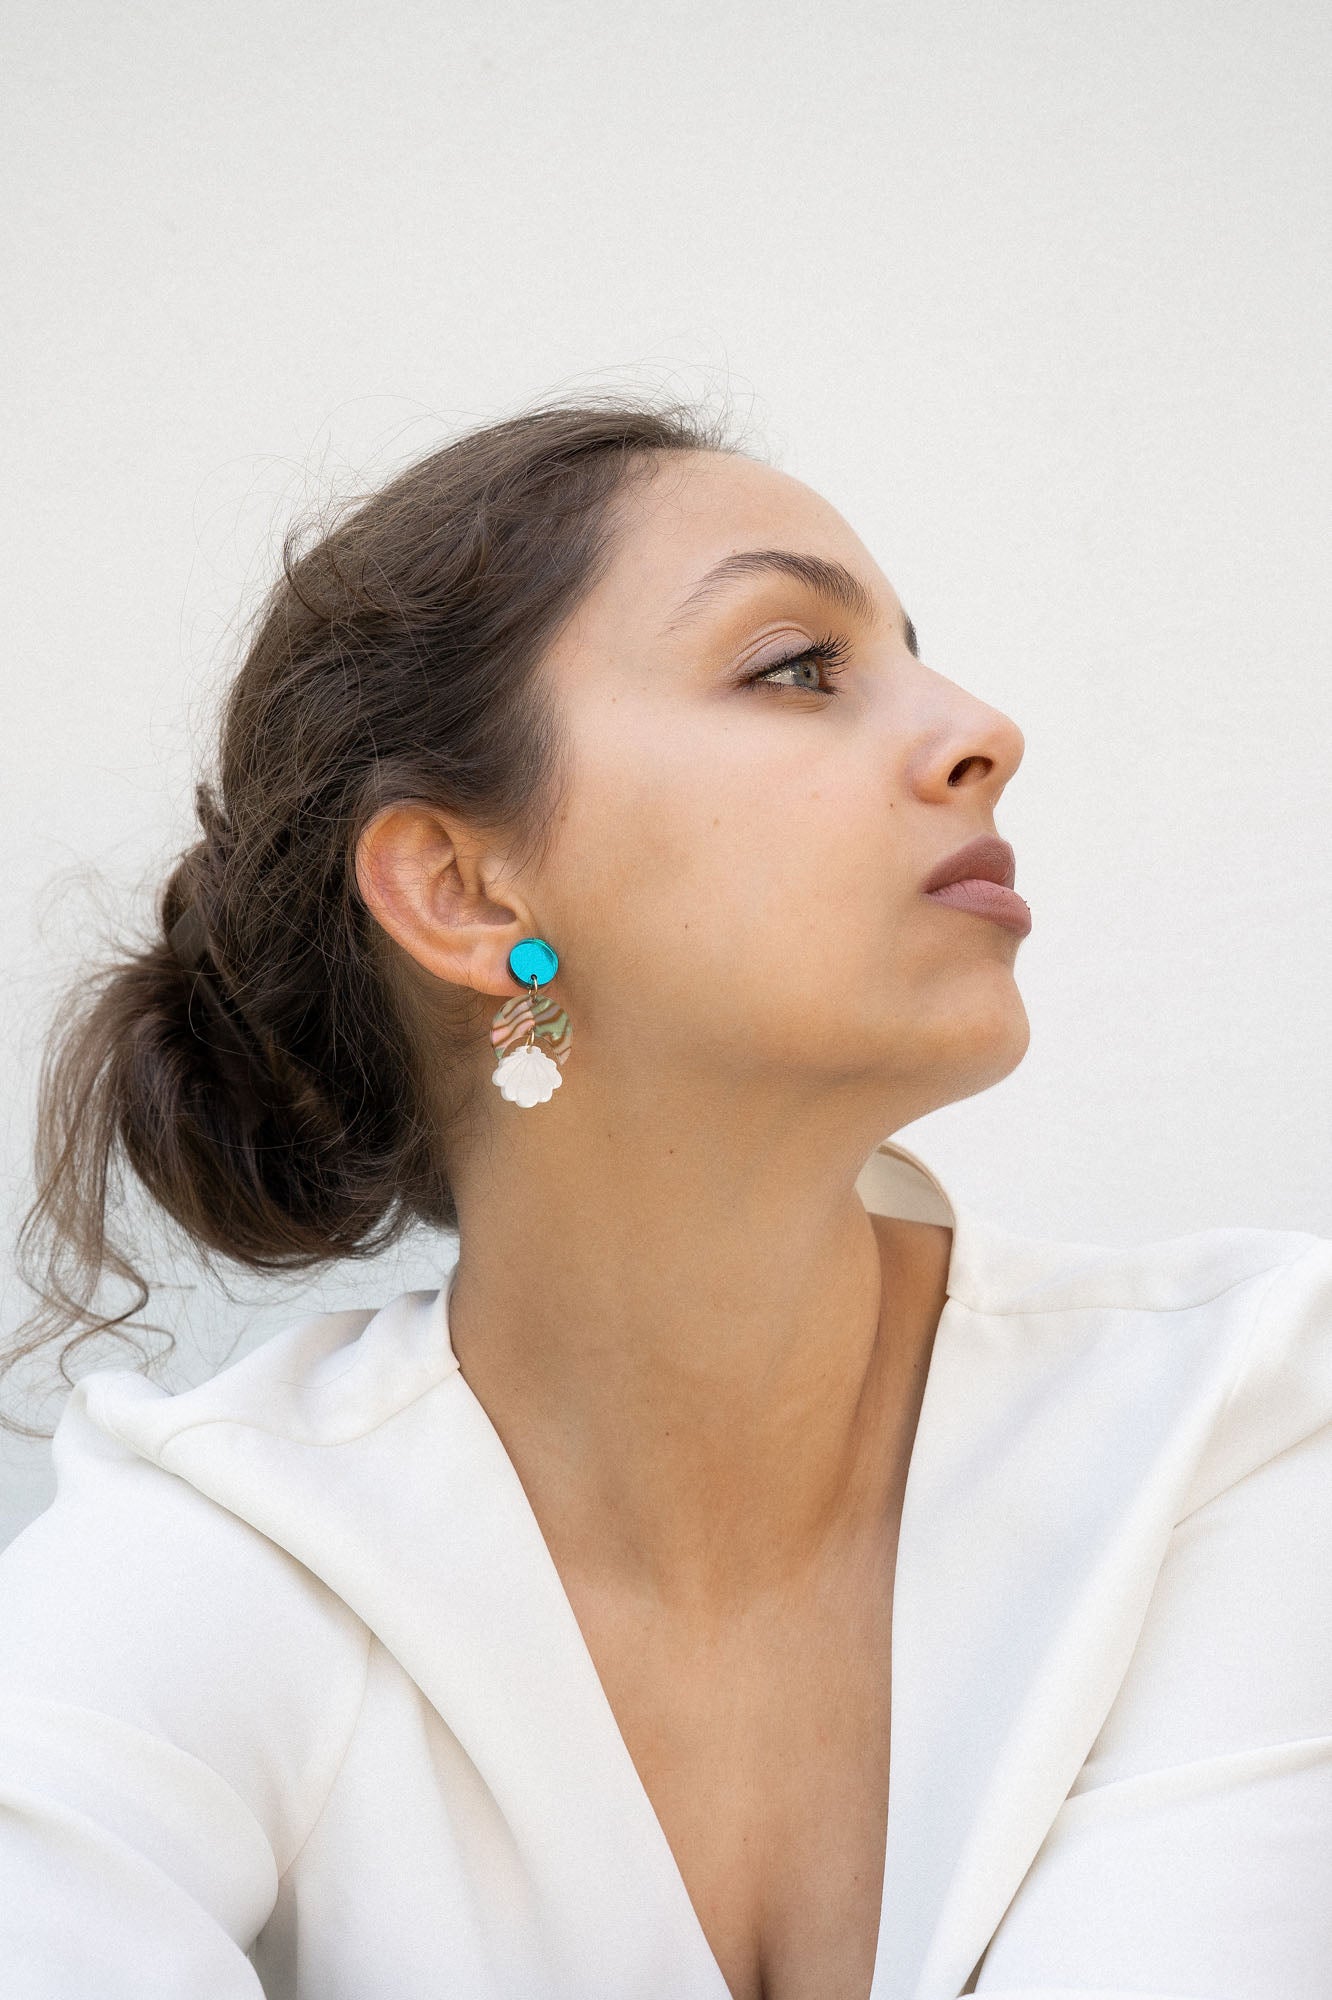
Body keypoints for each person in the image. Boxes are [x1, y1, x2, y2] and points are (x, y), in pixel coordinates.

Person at [0, 393, 1328, 2000]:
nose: (985, 727)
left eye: (914, 650)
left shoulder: (1241, 1412)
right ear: (466, 889)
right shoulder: (235, 1546)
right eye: (794, 668)